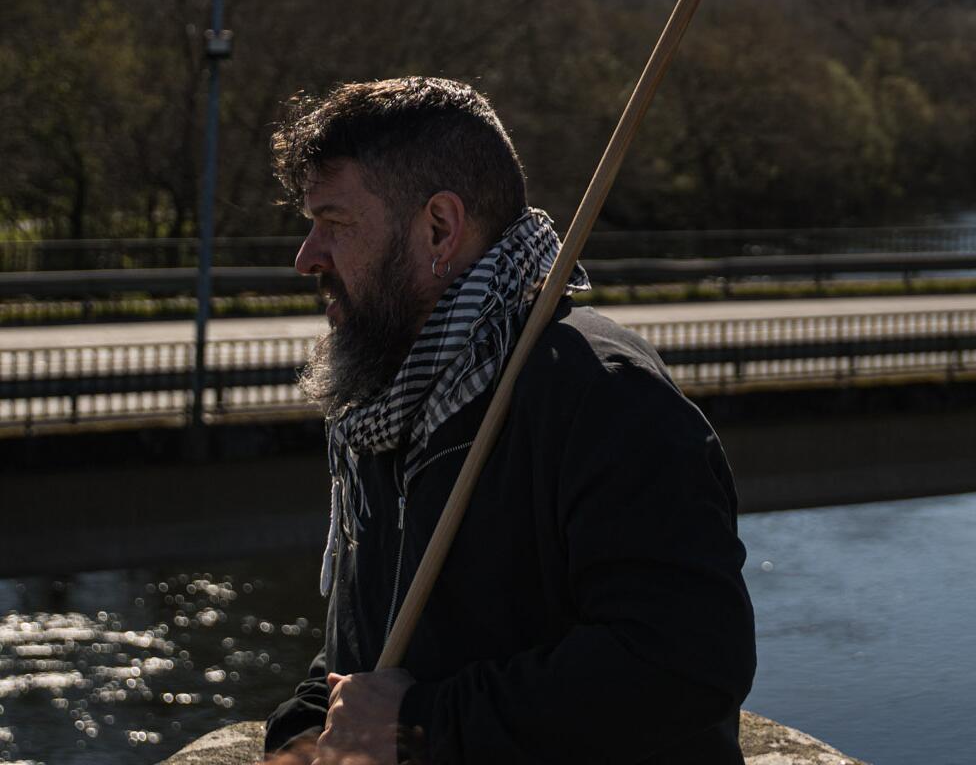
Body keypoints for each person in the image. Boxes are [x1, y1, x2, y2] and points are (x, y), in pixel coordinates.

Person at [261, 77, 755, 765]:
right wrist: (304, 734)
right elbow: (367, 650)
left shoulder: (606, 397)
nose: (307, 256)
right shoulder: (389, 395)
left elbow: (683, 664)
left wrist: (423, 725)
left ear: (439, 227)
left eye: (335, 223)